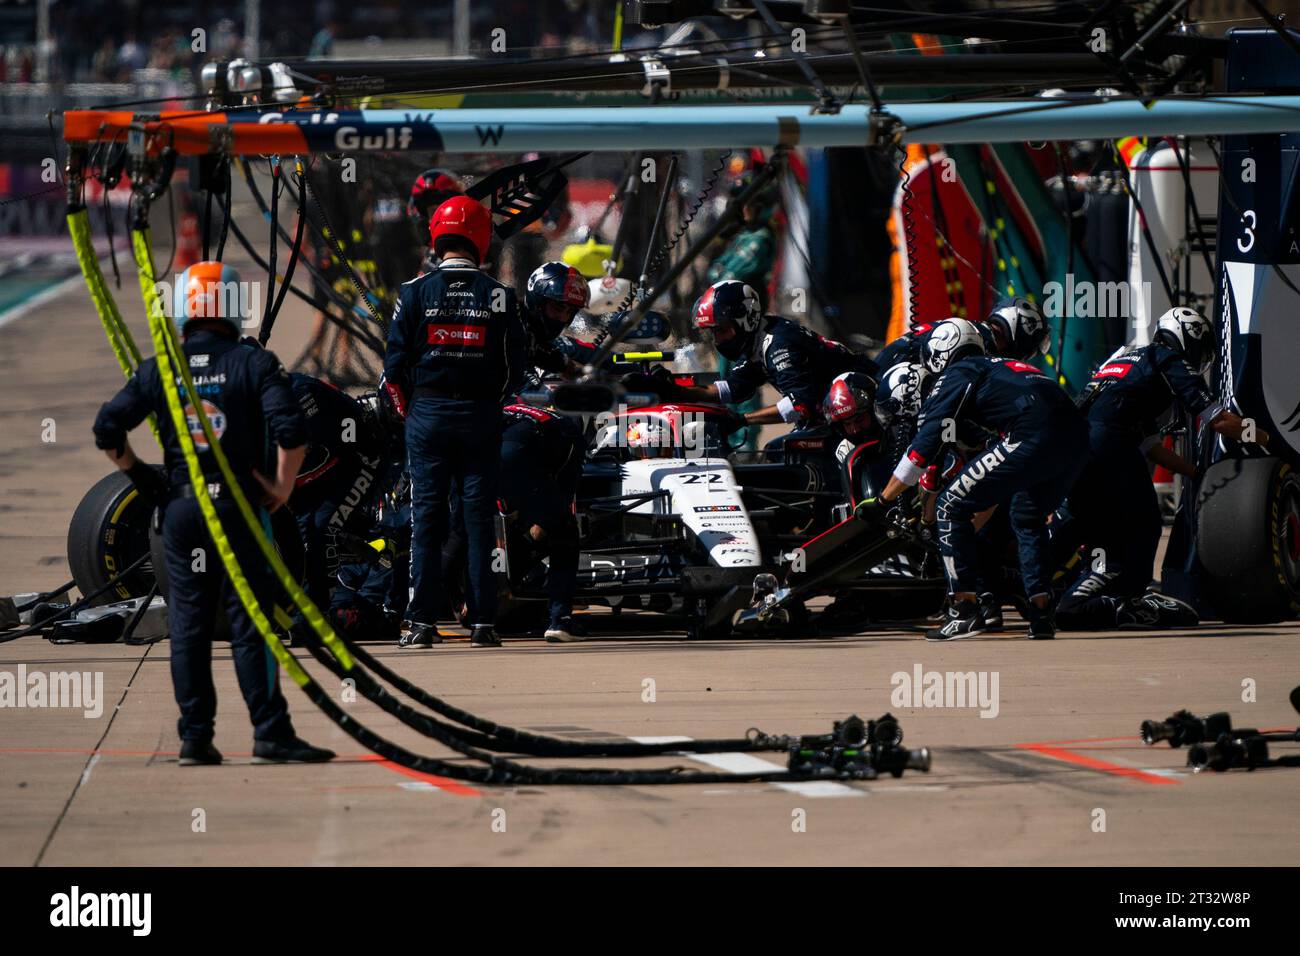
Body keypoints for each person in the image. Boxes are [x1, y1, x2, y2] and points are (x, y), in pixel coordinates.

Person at [92, 261, 334, 765]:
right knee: (252, 622)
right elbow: (292, 431)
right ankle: (270, 733)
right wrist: (282, 487)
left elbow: (107, 428)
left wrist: (142, 477)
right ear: (232, 308)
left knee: (188, 625)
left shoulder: (161, 367)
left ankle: (194, 738)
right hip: (239, 510)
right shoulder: (254, 363)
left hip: (181, 511)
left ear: (182, 310)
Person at [863, 318, 1089, 641]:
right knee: (1027, 517)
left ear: (940, 352)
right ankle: (1041, 613)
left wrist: (883, 501)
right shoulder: (1001, 365)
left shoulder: (956, 374)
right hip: (1076, 437)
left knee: (949, 507)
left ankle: (964, 611)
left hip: (1032, 431)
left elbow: (921, 451)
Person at [1055, 306, 1267, 629]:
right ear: (1189, 337)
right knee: (1146, 524)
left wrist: (1195, 473)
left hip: (1074, 448)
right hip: (1110, 444)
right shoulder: (1167, 358)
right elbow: (1217, 418)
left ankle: (1049, 593)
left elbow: (1151, 447)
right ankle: (1132, 600)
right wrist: (1264, 436)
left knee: (1086, 530)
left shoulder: (1123, 359)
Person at [384, 196, 526, 649]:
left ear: (437, 237)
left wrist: (413, 413)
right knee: (479, 519)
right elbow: (514, 369)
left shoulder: (412, 291)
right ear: (481, 239)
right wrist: (490, 401)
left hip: (427, 415)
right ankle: (483, 623)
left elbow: (392, 371)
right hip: (481, 415)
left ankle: (422, 622)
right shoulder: (500, 296)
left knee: (425, 519)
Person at [667, 280, 878, 429]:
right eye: (713, 333)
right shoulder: (757, 338)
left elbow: (799, 405)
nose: (718, 340)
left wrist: (742, 420)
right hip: (832, 413)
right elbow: (734, 388)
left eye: (721, 330)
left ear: (745, 321)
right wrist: (674, 391)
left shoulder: (778, 344)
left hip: (863, 409)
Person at [285, 374, 399, 633]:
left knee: (321, 529)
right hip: (317, 465)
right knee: (303, 529)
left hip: (359, 459)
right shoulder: (248, 399)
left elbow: (326, 456)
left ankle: (318, 613)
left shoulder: (301, 396)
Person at [498, 402, 588, 642]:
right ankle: (561, 621)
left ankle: (477, 617)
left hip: (478, 453)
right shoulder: (570, 432)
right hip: (518, 458)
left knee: (467, 527)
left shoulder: (510, 407)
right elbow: (564, 491)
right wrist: (544, 523)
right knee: (565, 531)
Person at [522, 260, 600, 373]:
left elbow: (613, 360)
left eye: (570, 311)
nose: (562, 317)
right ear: (537, 302)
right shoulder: (504, 329)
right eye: (558, 307)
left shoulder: (562, 346)